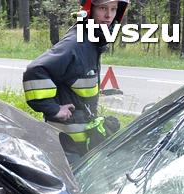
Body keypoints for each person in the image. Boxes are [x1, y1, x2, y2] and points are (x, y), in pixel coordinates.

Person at [22, 0, 128, 162]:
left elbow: (75, 79)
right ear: (89, 10)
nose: (108, 16)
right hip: (65, 146)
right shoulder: (76, 43)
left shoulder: (92, 42)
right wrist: (53, 109)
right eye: (102, 8)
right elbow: (36, 71)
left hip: (80, 144)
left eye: (113, 9)